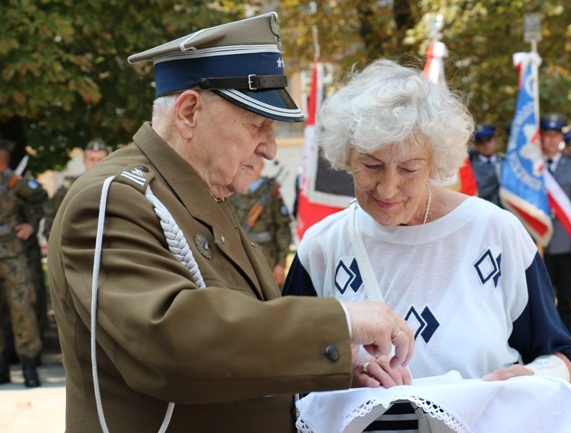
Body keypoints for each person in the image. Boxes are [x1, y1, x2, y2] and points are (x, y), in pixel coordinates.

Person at [47, 13, 414, 433]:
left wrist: (330, 363)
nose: (271, 148)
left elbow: (238, 348)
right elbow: (176, 344)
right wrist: (342, 321)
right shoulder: (112, 199)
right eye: (258, 125)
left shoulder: (201, 196)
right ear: (188, 111)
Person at [283, 60, 571, 430]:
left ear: (436, 163)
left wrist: (534, 379)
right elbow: (285, 369)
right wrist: (340, 370)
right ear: (346, 157)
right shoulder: (322, 246)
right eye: (371, 166)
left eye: (408, 168)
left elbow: (563, 356)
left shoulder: (497, 233)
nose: (388, 188)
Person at [540, 112, 571, 339]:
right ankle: (547, 342)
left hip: (567, 241)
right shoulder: (529, 168)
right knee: (542, 298)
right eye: (547, 135)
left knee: (568, 296)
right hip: (539, 242)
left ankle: (569, 342)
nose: (551, 140)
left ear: (561, 137)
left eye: (555, 135)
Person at [0, 147, 47, 387]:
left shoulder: (12, 181)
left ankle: (29, 366)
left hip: (12, 256)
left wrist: (31, 225)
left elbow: (40, 199)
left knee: (22, 309)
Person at [229, 159, 293, 287]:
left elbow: (282, 229)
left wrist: (280, 264)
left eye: (256, 163)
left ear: (262, 166)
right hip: (239, 256)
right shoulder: (232, 190)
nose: (251, 168)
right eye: (246, 164)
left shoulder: (271, 192)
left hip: (268, 259)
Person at [42, 137, 110, 239]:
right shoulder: (70, 186)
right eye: (92, 159)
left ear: (108, 160)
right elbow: (52, 217)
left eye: (100, 159)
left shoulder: (116, 184)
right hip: (77, 245)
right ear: (84, 160)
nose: (96, 163)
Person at [469, 122, 502, 206]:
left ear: (495, 141)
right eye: (480, 141)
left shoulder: (505, 163)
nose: (485, 144)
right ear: (476, 145)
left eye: (488, 139)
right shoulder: (470, 167)